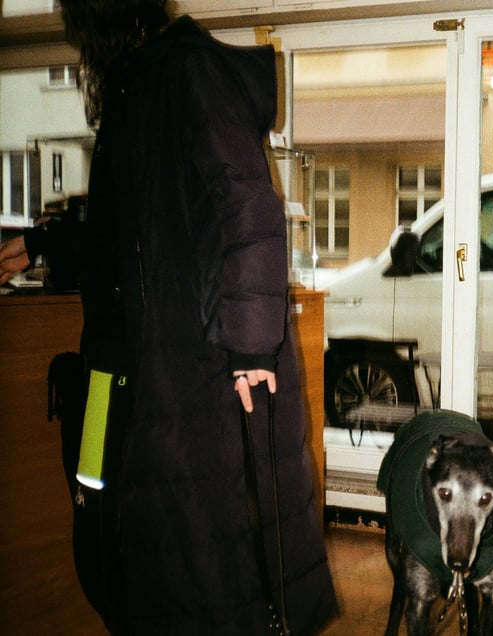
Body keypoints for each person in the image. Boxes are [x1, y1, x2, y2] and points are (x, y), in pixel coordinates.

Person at [0, 1, 337, 633]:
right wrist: (46, 245)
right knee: (104, 528)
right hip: (112, 374)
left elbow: (252, 211)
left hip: (189, 375)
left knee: (201, 572)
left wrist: (250, 347)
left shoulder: (187, 71)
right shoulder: (137, 83)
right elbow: (124, 230)